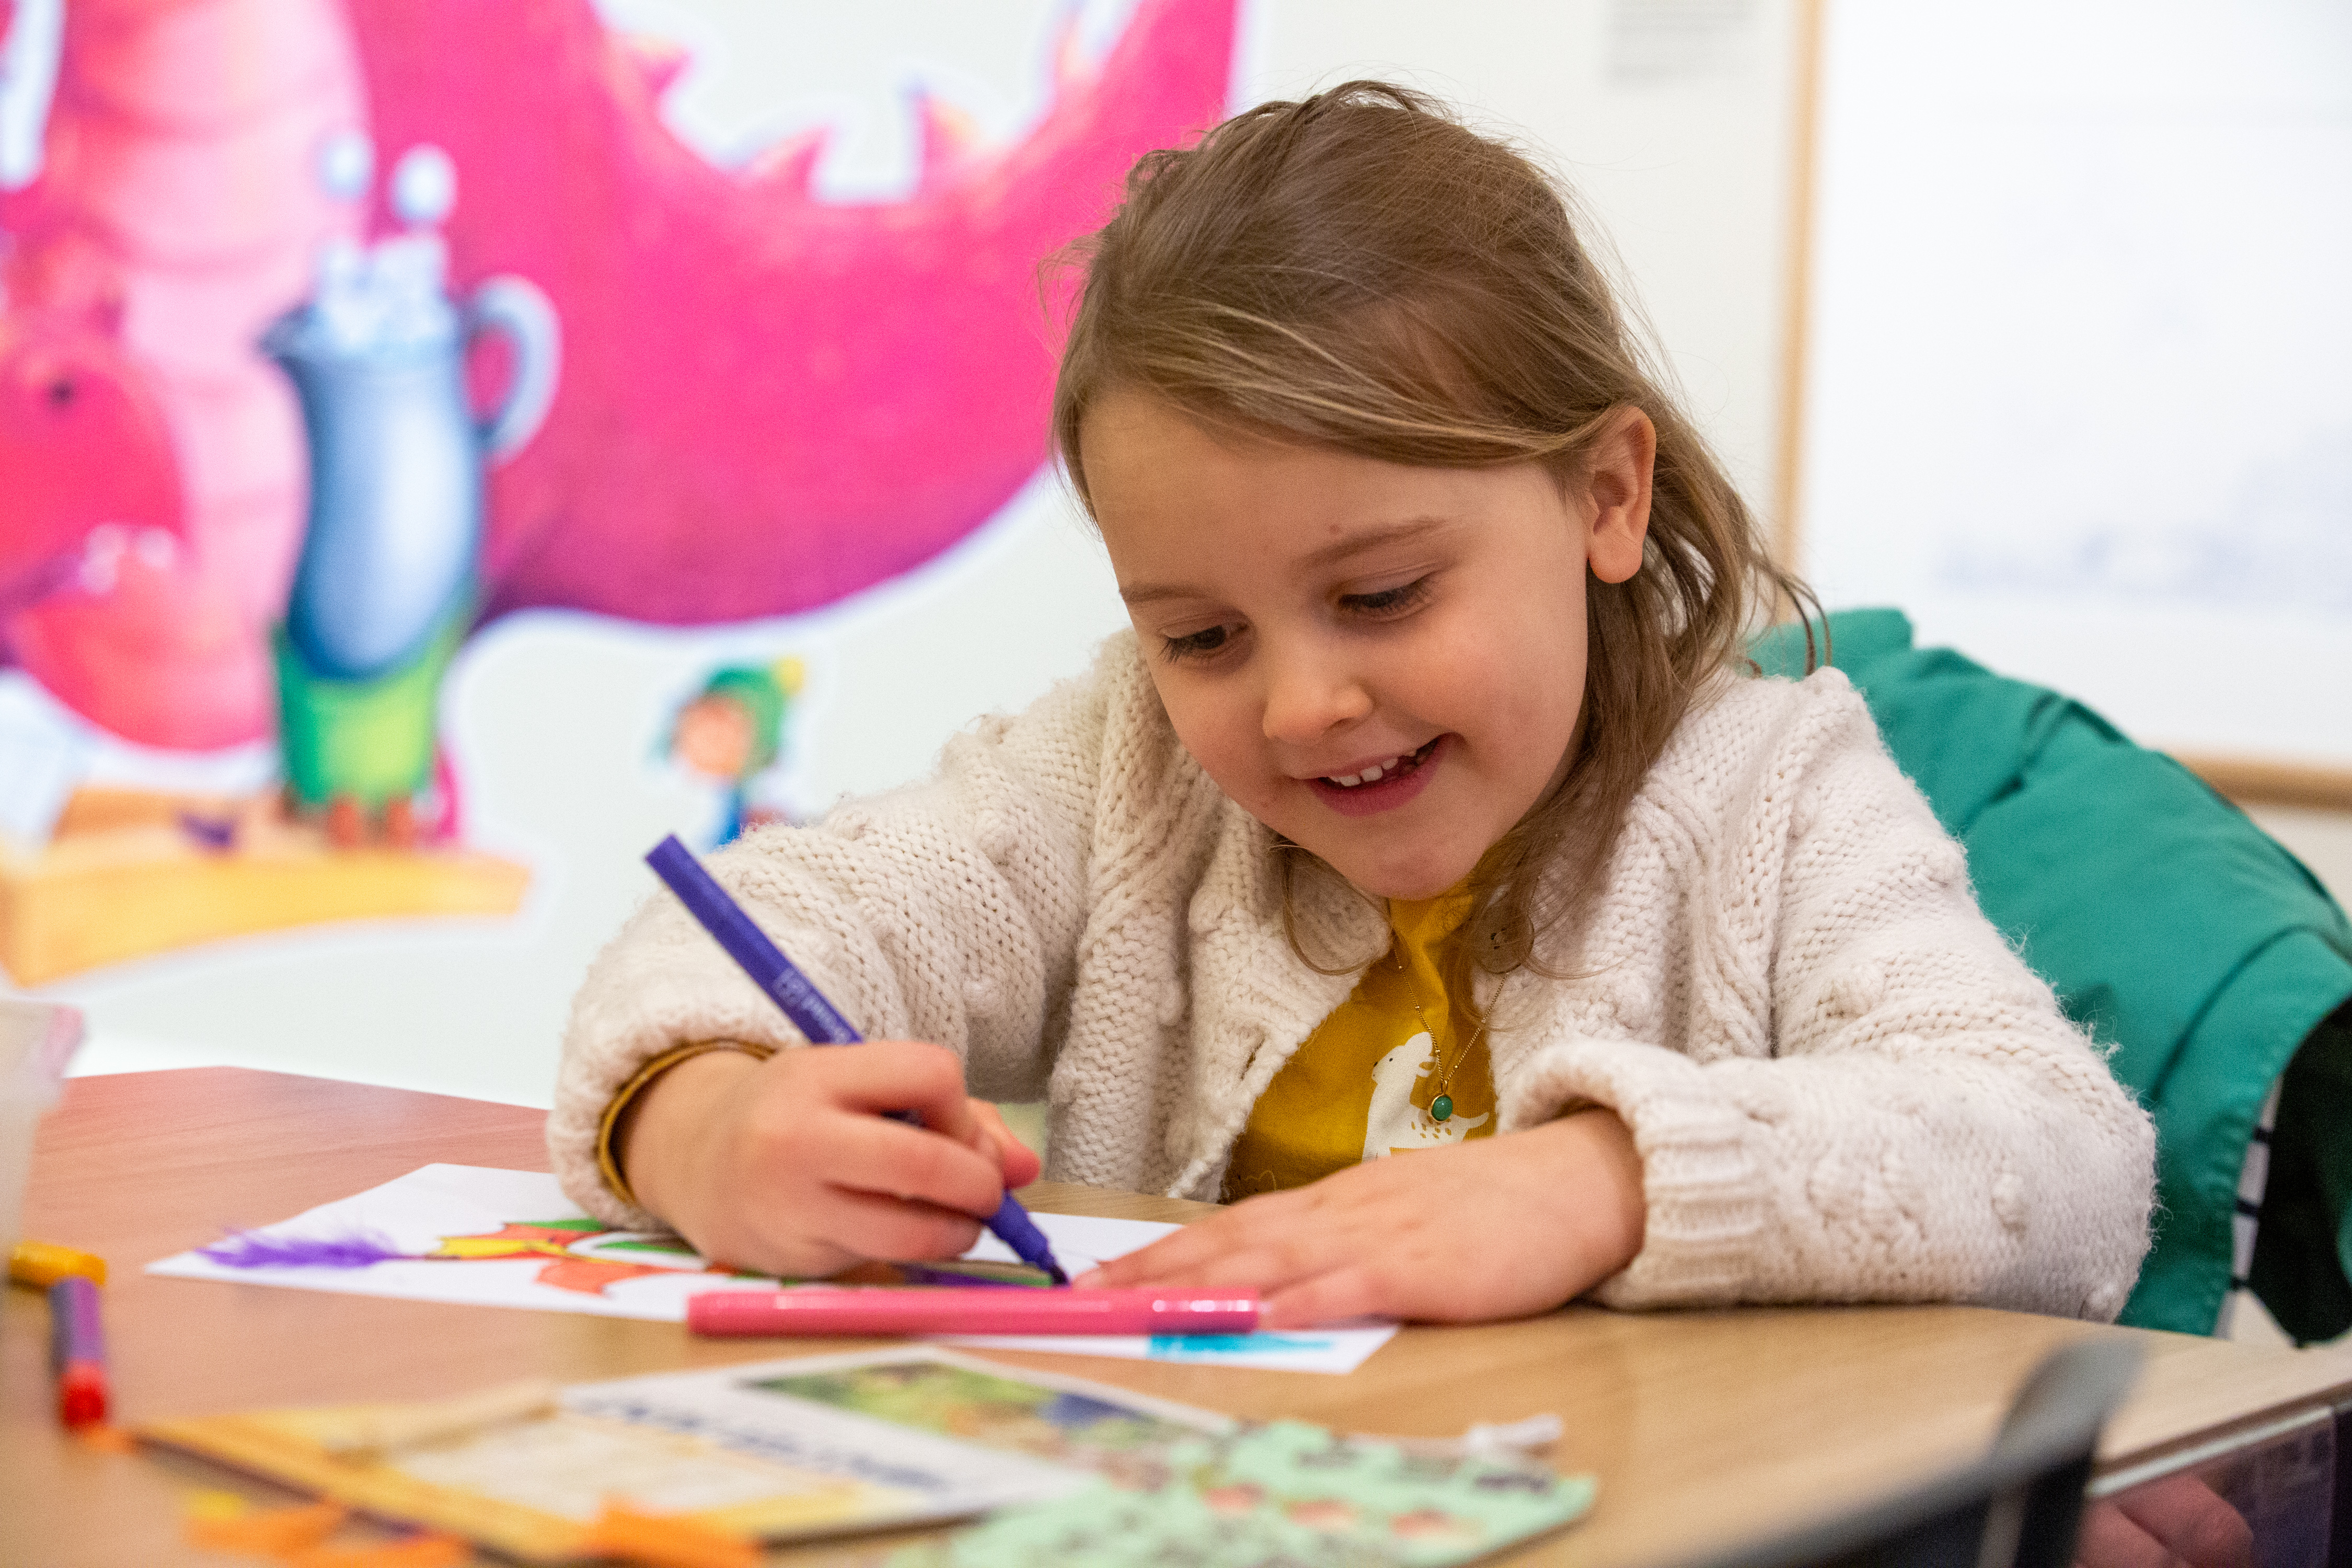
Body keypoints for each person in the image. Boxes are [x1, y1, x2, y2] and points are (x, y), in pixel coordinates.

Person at [550, 83, 2154, 1331]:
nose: (1303, 706)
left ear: (1603, 496)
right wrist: (704, 1129)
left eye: (1382, 597)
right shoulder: (1125, 778)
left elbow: (2060, 1159)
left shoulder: (1775, 797)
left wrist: (1603, 1183)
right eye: (1199, 635)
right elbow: (755, 923)